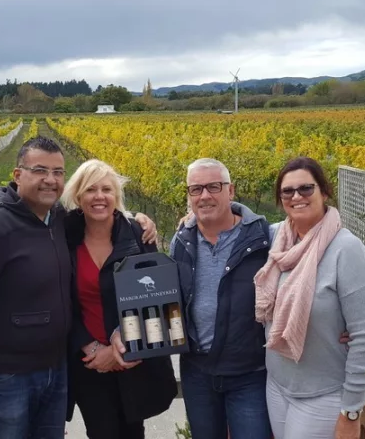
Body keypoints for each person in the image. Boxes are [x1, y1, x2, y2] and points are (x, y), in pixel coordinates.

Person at [0, 136, 157, 439]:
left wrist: (139, 219)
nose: (50, 180)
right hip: (10, 377)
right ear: (18, 175)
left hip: (57, 371)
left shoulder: (58, 220)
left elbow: (104, 214)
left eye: (58, 172)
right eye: (40, 170)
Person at [114, 158, 274, 439]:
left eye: (214, 186)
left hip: (249, 372)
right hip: (198, 372)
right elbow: (164, 296)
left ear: (231, 190)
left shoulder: (262, 237)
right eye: (196, 189)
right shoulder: (181, 240)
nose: (205, 196)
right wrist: (127, 328)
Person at [254, 156, 365, 439]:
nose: (297, 196)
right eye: (288, 191)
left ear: (324, 192)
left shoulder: (346, 250)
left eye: (306, 189)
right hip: (277, 385)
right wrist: (193, 215)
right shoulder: (278, 238)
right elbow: (238, 221)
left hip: (323, 394)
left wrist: (351, 411)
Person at [61, 159, 177, 439]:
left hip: (132, 356)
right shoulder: (64, 236)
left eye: (106, 189)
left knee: (133, 430)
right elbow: (61, 301)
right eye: (90, 190)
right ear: (78, 196)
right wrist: (91, 348)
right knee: (101, 432)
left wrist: (118, 348)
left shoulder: (138, 235)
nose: (99, 197)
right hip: (88, 362)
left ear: (117, 196)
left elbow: (157, 297)